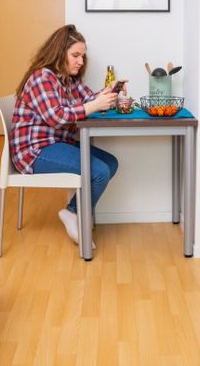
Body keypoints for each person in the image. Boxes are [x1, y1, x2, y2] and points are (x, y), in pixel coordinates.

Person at [10, 24, 122, 248]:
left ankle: (74, 212)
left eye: (82, 56)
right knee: (99, 172)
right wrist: (95, 105)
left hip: (56, 144)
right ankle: (73, 214)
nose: (80, 61)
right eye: (75, 55)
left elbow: (90, 99)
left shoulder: (68, 79)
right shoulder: (42, 78)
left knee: (110, 163)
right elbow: (57, 117)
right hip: (34, 152)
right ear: (59, 52)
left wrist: (109, 92)